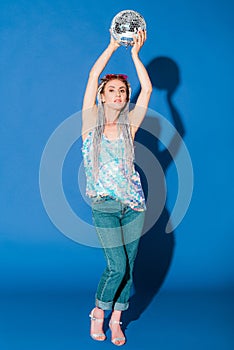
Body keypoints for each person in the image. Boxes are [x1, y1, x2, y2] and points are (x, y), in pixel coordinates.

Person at [81, 29, 152, 346]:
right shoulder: (89, 124)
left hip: (134, 206)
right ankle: (98, 312)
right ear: (102, 95)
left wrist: (135, 55)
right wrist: (113, 45)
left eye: (123, 91)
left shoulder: (129, 126)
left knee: (130, 268)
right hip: (105, 207)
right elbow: (94, 73)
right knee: (117, 265)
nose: (119, 95)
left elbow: (147, 89)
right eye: (113, 90)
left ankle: (116, 320)